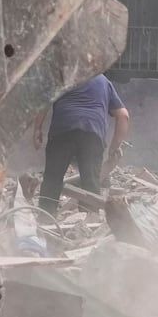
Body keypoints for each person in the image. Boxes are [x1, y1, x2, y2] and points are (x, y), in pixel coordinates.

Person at [37, 74, 129, 217]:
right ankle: (88, 222)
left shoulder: (62, 76)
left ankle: (45, 219)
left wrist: (37, 129)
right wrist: (114, 148)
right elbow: (123, 115)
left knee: (52, 180)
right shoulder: (103, 81)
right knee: (91, 182)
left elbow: (43, 103)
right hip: (92, 134)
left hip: (63, 130)